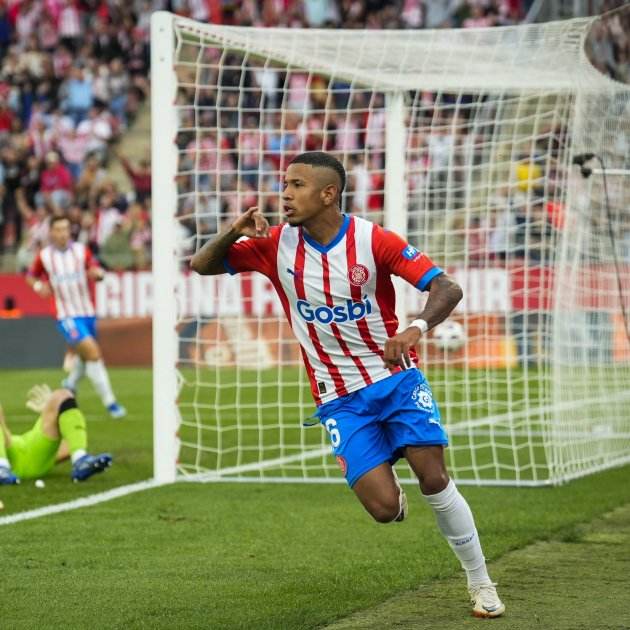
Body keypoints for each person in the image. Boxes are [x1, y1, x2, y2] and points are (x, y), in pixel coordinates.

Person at [190, 151, 505, 618]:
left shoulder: (373, 239)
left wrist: (415, 328)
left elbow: (447, 287)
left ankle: (480, 582)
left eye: (296, 185)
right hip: (339, 397)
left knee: (434, 478)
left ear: (328, 193)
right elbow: (201, 264)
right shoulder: (274, 244)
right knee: (384, 509)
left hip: (394, 379)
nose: (285, 194)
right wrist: (233, 231)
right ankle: (389, 484)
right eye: (285, 184)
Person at [26, 215, 126, 418]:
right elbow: (30, 276)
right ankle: (111, 403)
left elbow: (94, 268)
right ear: (51, 233)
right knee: (93, 353)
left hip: (87, 312)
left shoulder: (81, 250)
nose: (63, 233)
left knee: (84, 356)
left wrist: (98, 274)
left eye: (66, 229)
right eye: (59, 229)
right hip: (66, 315)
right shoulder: (44, 256)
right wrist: (38, 286)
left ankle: (70, 384)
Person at [0, 384, 113, 485]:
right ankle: (2, 467)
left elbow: (67, 447)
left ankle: (80, 459)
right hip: (10, 455)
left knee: (62, 396)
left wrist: (54, 414)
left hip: (28, 450)